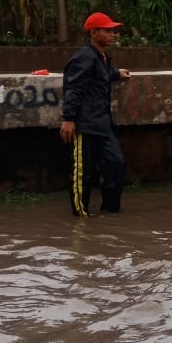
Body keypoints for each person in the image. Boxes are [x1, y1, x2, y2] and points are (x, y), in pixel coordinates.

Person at [60, 12, 132, 217]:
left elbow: (102, 76)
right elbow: (73, 87)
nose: (113, 34)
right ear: (93, 33)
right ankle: (80, 219)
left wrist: (117, 73)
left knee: (115, 164)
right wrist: (69, 118)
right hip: (85, 124)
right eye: (107, 30)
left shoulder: (101, 57)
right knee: (82, 174)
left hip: (102, 123)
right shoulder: (84, 56)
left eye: (113, 30)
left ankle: (110, 213)